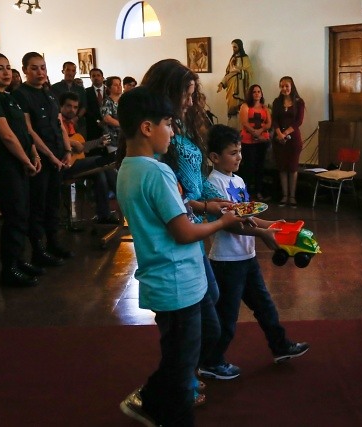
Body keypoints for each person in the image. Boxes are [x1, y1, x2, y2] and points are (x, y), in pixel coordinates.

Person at [116, 86, 243, 427]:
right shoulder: (157, 171)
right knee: (181, 365)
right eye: (168, 124)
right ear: (147, 127)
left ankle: (150, 401)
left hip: (169, 279)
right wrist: (222, 221)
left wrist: (203, 207)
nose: (172, 132)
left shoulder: (129, 168)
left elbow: (166, 213)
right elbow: (183, 232)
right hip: (177, 282)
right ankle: (170, 414)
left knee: (180, 356)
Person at [141, 58, 230, 406]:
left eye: (194, 95)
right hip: (179, 234)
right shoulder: (160, 137)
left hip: (193, 229)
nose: (191, 102)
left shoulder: (181, 125)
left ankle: (184, 374)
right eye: (185, 94)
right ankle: (177, 381)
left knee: (208, 305)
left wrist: (220, 199)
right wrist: (213, 210)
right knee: (187, 323)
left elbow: (195, 180)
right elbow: (174, 197)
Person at [199, 124, 309, 380]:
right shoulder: (212, 185)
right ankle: (210, 362)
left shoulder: (237, 180)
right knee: (226, 318)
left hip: (246, 258)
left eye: (240, 151)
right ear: (215, 157)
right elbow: (231, 224)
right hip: (227, 262)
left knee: (265, 306)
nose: (239, 157)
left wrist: (274, 225)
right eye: (233, 153)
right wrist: (262, 234)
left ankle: (281, 347)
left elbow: (247, 217)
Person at [0, 52, 42, 287]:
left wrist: (33, 153)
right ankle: (9, 270)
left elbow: (23, 131)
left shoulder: (8, 96)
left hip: (20, 162)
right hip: (4, 166)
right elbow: (6, 136)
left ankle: (18, 260)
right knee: (14, 214)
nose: (6, 73)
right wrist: (26, 160)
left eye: (7, 68)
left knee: (22, 213)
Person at [13, 51, 74, 267]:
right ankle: (38, 251)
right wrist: (50, 156)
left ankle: (53, 244)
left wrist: (67, 150)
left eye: (43, 67)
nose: (40, 72)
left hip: (58, 155)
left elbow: (59, 123)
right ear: (25, 70)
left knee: (53, 203)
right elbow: (29, 130)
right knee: (38, 206)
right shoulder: (21, 95)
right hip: (40, 158)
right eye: (34, 68)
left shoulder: (49, 94)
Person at [59, 92, 119, 224]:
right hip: (63, 165)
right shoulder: (57, 122)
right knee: (102, 162)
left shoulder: (72, 124)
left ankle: (103, 214)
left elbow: (81, 147)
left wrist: (97, 142)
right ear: (60, 106)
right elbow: (57, 140)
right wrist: (72, 143)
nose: (72, 110)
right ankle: (125, 199)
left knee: (100, 171)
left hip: (76, 161)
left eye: (75, 107)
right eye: (69, 106)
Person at [271, 76, 305, 207]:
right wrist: (279, 133)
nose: (284, 88)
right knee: (282, 168)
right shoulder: (277, 102)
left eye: (287, 86)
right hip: (279, 139)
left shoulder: (299, 102)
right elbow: (274, 120)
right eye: (282, 86)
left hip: (293, 139)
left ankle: (292, 196)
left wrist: (285, 133)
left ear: (292, 86)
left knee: (292, 167)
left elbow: (299, 121)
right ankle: (284, 196)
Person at [239, 84, 272, 201]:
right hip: (248, 141)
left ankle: (258, 191)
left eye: (259, 91)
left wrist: (260, 131)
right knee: (249, 167)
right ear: (251, 94)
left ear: (261, 94)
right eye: (254, 92)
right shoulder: (245, 106)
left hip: (262, 140)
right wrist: (254, 133)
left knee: (260, 167)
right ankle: (246, 193)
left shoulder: (265, 108)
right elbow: (244, 122)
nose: (257, 93)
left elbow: (268, 123)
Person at [217, 39, 253, 124]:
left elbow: (250, 73)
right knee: (231, 106)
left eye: (235, 47)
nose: (233, 49)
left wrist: (239, 70)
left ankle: (241, 124)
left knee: (241, 107)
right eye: (232, 47)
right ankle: (232, 125)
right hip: (231, 86)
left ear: (239, 47)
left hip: (241, 87)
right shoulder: (232, 59)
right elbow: (228, 73)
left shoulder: (245, 58)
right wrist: (222, 83)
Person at [51, 61, 87, 134]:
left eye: (73, 71)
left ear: (75, 73)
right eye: (68, 70)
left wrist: (76, 118)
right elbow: (53, 106)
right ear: (63, 71)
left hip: (78, 124)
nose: (70, 73)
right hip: (60, 123)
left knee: (82, 143)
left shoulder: (80, 89)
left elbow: (84, 106)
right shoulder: (54, 88)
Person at [101, 76, 122, 155]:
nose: (119, 87)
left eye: (120, 84)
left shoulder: (123, 100)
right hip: (112, 138)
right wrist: (124, 125)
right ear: (109, 88)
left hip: (123, 137)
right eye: (115, 85)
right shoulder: (106, 101)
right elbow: (107, 119)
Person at [84, 67, 106, 141]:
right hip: (93, 126)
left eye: (98, 75)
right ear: (90, 78)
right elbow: (86, 109)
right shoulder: (86, 92)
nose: (96, 78)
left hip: (109, 125)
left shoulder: (109, 91)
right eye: (93, 76)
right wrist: (98, 121)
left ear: (102, 77)